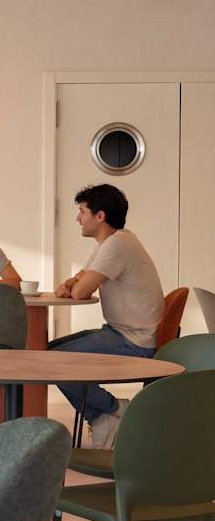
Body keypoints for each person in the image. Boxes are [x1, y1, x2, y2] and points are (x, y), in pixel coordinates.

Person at [51, 184, 164, 449]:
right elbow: (80, 278)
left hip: (134, 342)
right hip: (121, 332)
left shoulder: (117, 245)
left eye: (82, 212)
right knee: (47, 354)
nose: (78, 218)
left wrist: (74, 285)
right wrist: (74, 282)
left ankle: (113, 410)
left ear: (100, 216)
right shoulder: (112, 242)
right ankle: (104, 419)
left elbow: (81, 291)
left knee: (52, 361)